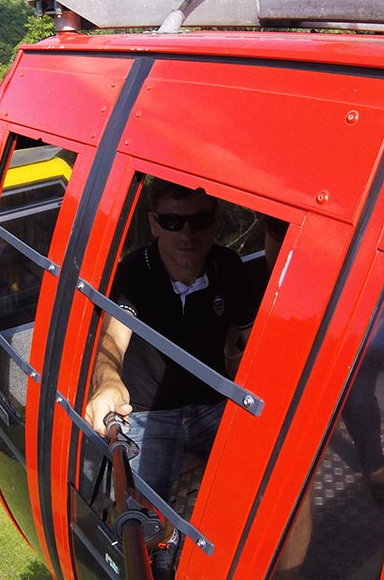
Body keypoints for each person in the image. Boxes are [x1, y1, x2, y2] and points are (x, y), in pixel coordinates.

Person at [83, 179, 259, 577]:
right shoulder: (136, 272)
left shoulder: (227, 267)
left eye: (200, 221)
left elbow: (247, 338)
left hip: (211, 406)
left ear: (215, 223)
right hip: (151, 413)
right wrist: (107, 379)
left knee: (264, 478)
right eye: (173, 221)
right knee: (140, 513)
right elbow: (112, 338)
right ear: (154, 223)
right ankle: (163, 555)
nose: (187, 234)